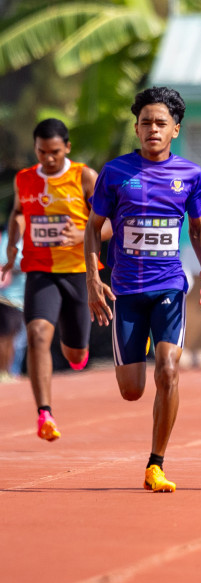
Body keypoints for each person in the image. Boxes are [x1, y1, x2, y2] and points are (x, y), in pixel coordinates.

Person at [84, 87, 201, 493]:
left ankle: (155, 464)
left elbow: (196, 227)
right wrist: (92, 278)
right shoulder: (116, 172)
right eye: (145, 123)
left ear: (175, 129)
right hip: (125, 291)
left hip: (169, 286)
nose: (152, 129)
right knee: (131, 391)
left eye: (160, 123)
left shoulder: (190, 175)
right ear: (136, 128)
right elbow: (92, 229)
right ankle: (134, 361)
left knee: (169, 371)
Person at [2, 119, 102, 441]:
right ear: (35, 148)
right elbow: (18, 212)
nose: (48, 159)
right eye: (42, 152)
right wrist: (13, 243)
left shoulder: (84, 176)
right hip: (40, 269)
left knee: (75, 355)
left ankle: (76, 346)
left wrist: (83, 231)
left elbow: (112, 221)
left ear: (67, 148)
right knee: (36, 334)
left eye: (55, 152)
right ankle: (44, 413)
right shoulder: (24, 179)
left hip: (77, 271)